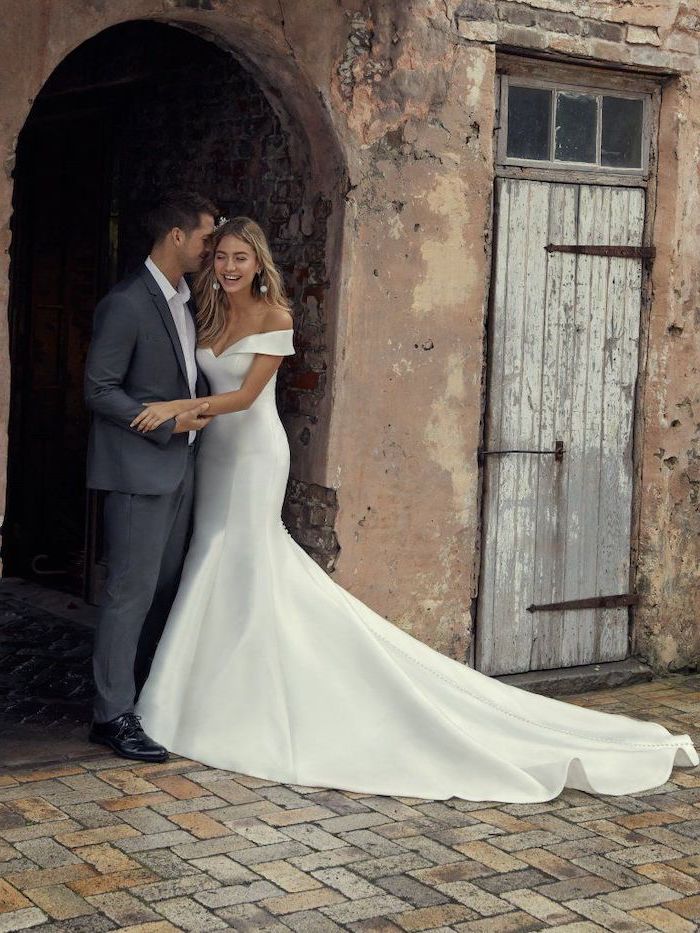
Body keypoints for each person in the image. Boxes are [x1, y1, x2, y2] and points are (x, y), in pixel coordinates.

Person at [134, 216, 698, 802]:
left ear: (258, 265)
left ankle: (244, 698)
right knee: (212, 558)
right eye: (221, 256)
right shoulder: (208, 314)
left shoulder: (276, 318)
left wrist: (174, 405)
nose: (227, 267)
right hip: (214, 459)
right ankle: (207, 690)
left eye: (239, 259)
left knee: (246, 560)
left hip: (253, 457)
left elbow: (245, 398)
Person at [84, 191, 218, 762]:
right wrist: (166, 421)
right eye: (208, 238)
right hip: (139, 470)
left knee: (163, 590)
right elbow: (99, 389)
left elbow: (189, 375)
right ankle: (110, 716)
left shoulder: (186, 300)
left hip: (182, 469)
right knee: (127, 594)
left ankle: (140, 698)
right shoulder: (127, 302)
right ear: (177, 236)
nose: (212, 248)